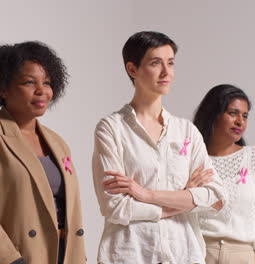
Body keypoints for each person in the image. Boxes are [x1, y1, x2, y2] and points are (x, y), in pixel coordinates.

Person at [92, 31, 226, 263]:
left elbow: (215, 196)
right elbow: (115, 206)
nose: (167, 73)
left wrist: (146, 194)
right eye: (156, 63)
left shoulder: (186, 131)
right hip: (130, 254)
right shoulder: (111, 129)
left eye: (171, 63)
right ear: (133, 69)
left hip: (184, 255)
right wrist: (182, 200)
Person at [0, 41, 86, 264]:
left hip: (64, 255)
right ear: (3, 88)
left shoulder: (58, 143)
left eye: (47, 82)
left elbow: (70, 209)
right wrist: (12, 261)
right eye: (29, 82)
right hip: (14, 259)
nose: (42, 91)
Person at [190, 84, 255, 264]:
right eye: (233, 113)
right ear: (212, 114)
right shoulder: (191, 161)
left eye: (245, 116)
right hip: (197, 254)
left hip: (243, 256)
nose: (240, 121)